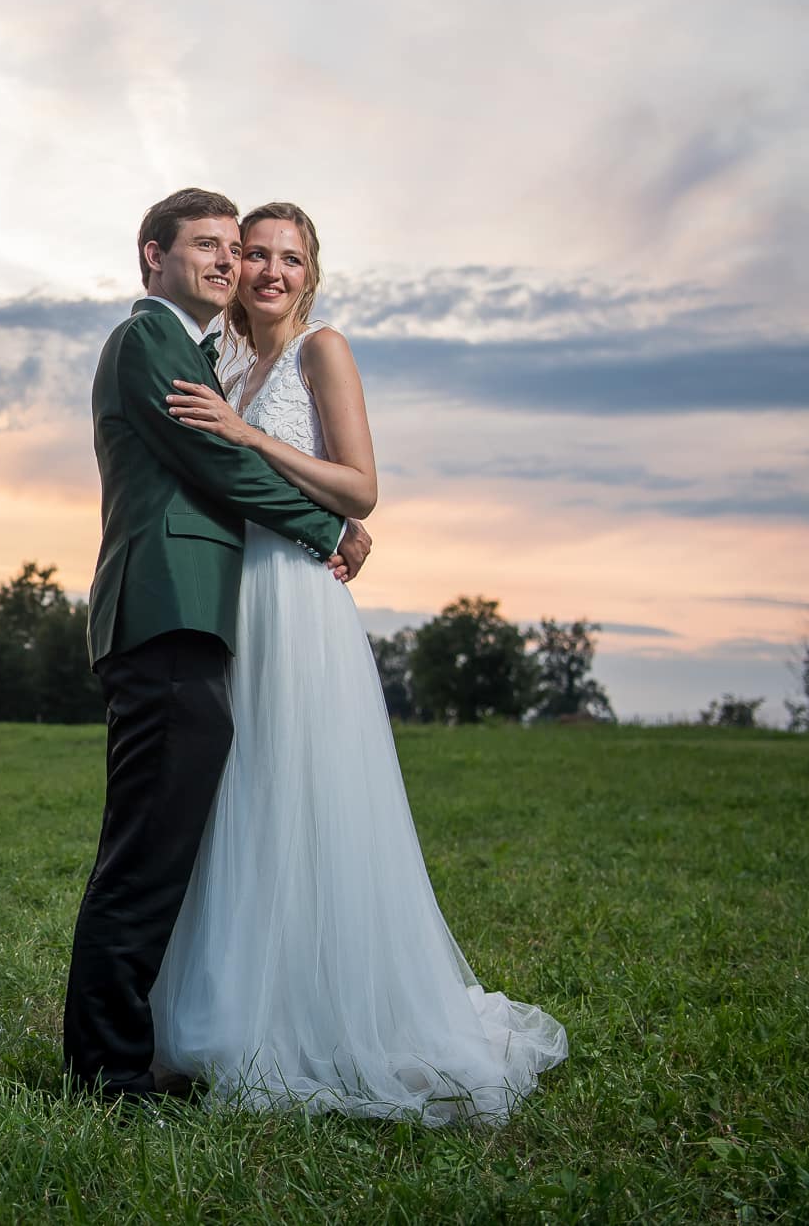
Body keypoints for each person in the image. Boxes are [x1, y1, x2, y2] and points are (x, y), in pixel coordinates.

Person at [150, 202, 568, 1124]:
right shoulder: (227, 364)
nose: (269, 270)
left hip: (299, 601)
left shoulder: (321, 351)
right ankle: (234, 1009)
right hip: (236, 599)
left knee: (306, 793)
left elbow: (362, 486)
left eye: (290, 258)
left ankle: (325, 1019)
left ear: (312, 272)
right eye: (253, 253)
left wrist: (251, 437)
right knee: (241, 800)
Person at [66, 188, 371, 1101]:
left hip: (208, 618)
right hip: (168, 614)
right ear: (152, 254)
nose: (232, 263)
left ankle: (141, 1047)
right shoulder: (150, 342)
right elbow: (219, 461)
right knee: (145, 855)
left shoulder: (207, 354)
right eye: (211, 244)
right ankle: (109, 1074)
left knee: (176, 846)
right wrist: (328, 529)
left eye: (235, 249)